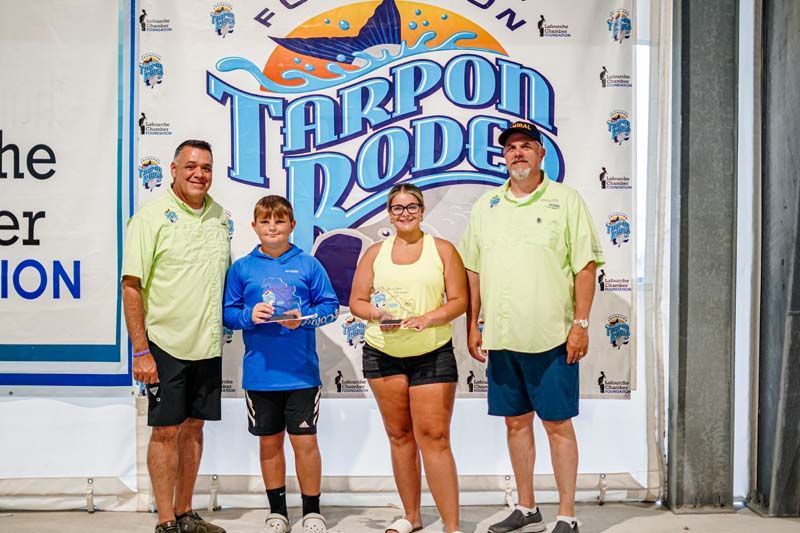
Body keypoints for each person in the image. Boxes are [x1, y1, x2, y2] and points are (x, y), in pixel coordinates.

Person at [460, 121, 605, 533]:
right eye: (510, 148)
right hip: (503, 336)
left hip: (552, 337)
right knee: (515, 422)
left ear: (542, 154)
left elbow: (586, 266)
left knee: (557, 425)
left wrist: (580, 324)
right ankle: (527, 508)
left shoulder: (566, 200)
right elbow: (472, 268)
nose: (517, 153)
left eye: (526, 146)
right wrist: (474, 324)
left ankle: (566, 514)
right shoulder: (487, 206)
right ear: (503, 157)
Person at [121, 140, 229, 533]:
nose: (199, 174)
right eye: (191, 166)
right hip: (164, 344)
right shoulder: (150, 218)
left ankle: (185, 513)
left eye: (206, 167)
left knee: (195, 427)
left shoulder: (220, 217)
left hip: (209, 344)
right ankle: (166, 521)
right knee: (165, 431)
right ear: (173, 169)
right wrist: (140, 351)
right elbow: (131, 286)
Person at [349, 183, 468, 533]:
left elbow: (459, 301)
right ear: (389, 212)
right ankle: (412, 516)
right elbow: (357, 301)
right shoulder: (374, 252)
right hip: (383, 354)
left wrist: (429, 318)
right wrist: (377, 315)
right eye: (397, 208)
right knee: (400, 435)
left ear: (422, 209)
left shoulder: (443, 249)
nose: (404, 213)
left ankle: (452, 525)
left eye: (411, 206)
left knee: (435, 437)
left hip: (431, 353)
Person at [223, 195, 339, 533]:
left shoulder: (308, 264)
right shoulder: (242, 268)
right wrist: (249, 315)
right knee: (269, 443)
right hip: (260, 376)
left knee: (305, 444)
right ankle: (277, 512)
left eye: (279, 221)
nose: (272, 227)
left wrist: (302, 319)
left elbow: (330, 306)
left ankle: (312, 511)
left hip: (301, 373)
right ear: (254, 227)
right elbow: (228, 315)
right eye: (265, 221)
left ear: (292, 225)